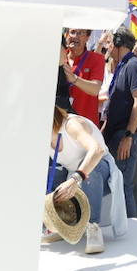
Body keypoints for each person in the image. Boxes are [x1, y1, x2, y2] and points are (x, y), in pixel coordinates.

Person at [47, 104, 117, 254]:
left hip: (98, 172)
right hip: (72, 174)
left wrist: (76, 178)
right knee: (53, 170)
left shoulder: (71, 125)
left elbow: (97, 150)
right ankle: (58, 223)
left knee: (90, 167)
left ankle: (93, 226)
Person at [101, 28, 137, 218]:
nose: (108, 46)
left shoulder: (134, 65)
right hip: (118, 134)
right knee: (119, 185)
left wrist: (129, 135)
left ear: (120, 43)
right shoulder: (123, 66)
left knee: (123, 186)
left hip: (127, 136)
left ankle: (131, 231)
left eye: (111, 42)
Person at [61, 28, 105, 123]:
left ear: (88, 37)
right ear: (66, 35)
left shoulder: (96, 59)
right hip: (60, 123)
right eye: (72, 32)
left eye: (80, 33)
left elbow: (95, 89)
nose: (75, 36)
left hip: (86, 125)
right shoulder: (59, 57)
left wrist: (75, 79)